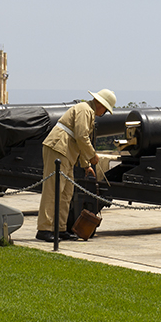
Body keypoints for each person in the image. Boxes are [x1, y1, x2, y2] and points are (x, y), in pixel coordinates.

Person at [36, 89, 116, 242]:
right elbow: (81, 136)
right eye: (106, 109)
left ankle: (60, 228)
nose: (104, 112)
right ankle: (44, 228)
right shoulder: (85, 110)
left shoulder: (88, 112)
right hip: (59, 148)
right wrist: (92, 155)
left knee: (66, 193)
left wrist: (86, 165)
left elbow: (78, 140)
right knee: (53, 190)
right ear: (101, 104)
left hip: (67, 151)